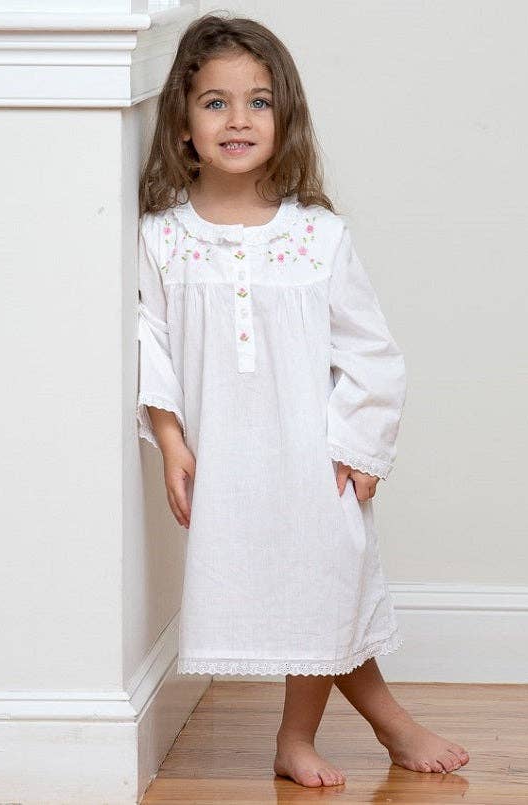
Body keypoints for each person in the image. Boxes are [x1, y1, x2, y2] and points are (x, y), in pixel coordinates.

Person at [136, 11, 470, 788]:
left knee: (326, 586)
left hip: (315, 450)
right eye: (215, 102)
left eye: (258, 101)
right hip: (227, 456)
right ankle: (381, 724)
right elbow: (148, 341)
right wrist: (172, 440)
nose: (238, 119)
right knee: (300, 597)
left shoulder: (317, 236)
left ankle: (301, 736)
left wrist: (361, 445)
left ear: (285, 118)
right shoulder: (163, 237)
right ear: (183, 125)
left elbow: (370, 348)